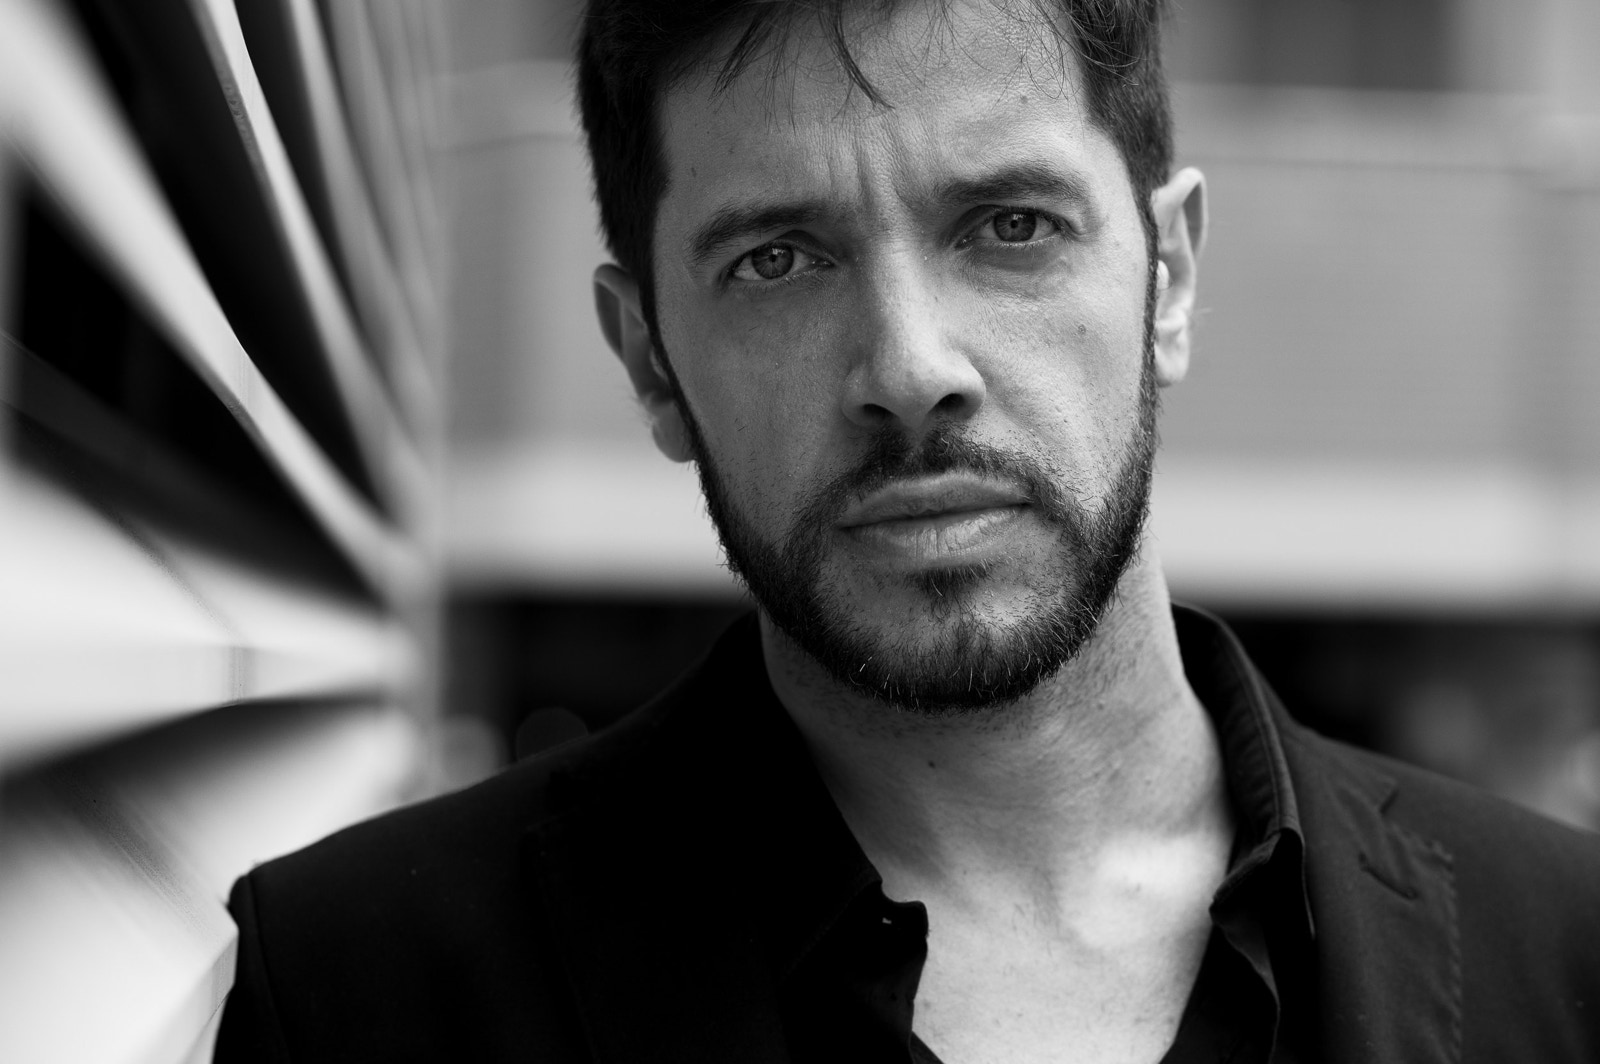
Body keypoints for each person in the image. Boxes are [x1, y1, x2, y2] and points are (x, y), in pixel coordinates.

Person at [214, 1, 1600, 1060]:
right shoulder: (359, 990)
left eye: (1010, 226)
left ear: (1168, 277)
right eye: (778, 259)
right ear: (649, 361)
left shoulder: (1569, 956)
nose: (909, 366)